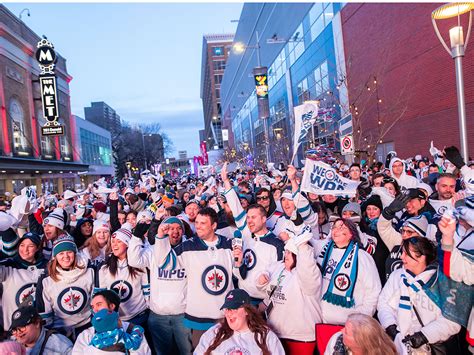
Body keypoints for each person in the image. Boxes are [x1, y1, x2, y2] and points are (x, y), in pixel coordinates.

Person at [151, 207, 233, 348]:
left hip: (224, 317)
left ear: (214, 226)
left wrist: (239, 261)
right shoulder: (187, 246)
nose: (198, 226)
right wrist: (160, 237)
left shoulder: (229, 244)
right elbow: (164, 263)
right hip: (199, 319)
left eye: (203, 223)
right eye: (197, 222)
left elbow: (239, 274)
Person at [377, 237, 461, 355]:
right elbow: (383, 303)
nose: (401, 257)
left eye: (406, 253)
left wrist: (424, 335)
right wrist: (390, 326)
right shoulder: (397, 275)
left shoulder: (441, 282)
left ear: (421, 257)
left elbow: (452, 321)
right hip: (400, 345)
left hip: (431, 348)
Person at [128, 216, 192, 354]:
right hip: (158, 314)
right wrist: (136, 237)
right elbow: (134, 260)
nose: (175, 231)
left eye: (179, 228)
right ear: (163, 230)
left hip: (183, 314)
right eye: (170, 228)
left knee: (187, 351)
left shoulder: (190, 250)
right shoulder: (152, 250)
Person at [257, 227, 322, 354]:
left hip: (300, 337)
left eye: (289, 252)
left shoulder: (307, 274)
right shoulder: (279, 268)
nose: (285, 255)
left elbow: (307, 271)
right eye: (285, 251)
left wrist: (303, 246)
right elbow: (269, 299)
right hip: (275, 334)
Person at [316, 218, 381, 326]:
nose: (336, 230)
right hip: (323, 322)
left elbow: (373, 292)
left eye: (341, 227)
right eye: (334, 227)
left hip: (351, 326)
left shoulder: (362, 257)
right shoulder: (324, 253)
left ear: (351, 233)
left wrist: (361, 320)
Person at [36, 235, 94, 340]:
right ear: (55, 256)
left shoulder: (89, 271)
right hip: (60, 331)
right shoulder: (46, 280)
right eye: (61, 253)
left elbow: (96, 301)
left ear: (75, 253)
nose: (66, 256)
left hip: (87, 327)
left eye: (69, 252)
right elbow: (45, 315)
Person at [194, 289, 284, 355]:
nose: (229, 313)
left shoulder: (266, 336)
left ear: (246, 311)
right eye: (227, 309)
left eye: (234, 309)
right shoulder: (214, 333)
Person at [96, 224, 149, 326]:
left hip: (139, 317)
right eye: (112, 242)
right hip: (116, 320)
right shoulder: (104, 267)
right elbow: (101, 293)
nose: (114, 245)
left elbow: (146, 290)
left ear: (128, 244)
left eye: (119, 241)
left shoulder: (139, 264)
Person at [72, 290, 151, 354]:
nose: (95, 310)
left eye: (99, 304)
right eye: (92, 307)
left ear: (111, 306)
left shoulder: (132, 330)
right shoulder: (86, 334)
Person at [0, 232, 47, 331]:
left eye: (30, 246)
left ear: (38, 248)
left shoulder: (47, 266)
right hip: (12, 330)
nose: (25, 250)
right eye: (22, 245)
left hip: (38, 329)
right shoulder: (8, 265)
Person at [324, 313, 397, 355]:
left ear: (360, 341)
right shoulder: (336, 340)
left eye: (346, 332)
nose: (341, 331)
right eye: (344, 328)